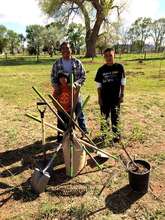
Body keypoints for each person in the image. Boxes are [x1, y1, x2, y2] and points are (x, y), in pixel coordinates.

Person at [51, 41, 88, 142]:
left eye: (67, 48)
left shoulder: (77, 62)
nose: (65, 50)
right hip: (62, 95)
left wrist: (75, 84)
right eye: (63, 48)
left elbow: (83, 76)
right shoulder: (57, 63)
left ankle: (84, 133)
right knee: (61, 114)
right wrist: (56, 87)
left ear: (71, 49)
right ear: (61, 51)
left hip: (75, 93)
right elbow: (53, 78)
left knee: (79, 112)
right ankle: (62, 134)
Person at [95, 48, 126, 143]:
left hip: (115, 97)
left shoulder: (119, 67)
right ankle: (105, 135)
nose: (108, 57)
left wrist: (122, 94)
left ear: (114, 55)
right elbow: (99, 85)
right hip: (104, 97)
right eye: (106, 56)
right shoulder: (101, 70)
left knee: (115, 116)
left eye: (110, 55)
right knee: (104, 116)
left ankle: (116, 136)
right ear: (104, 57)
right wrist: (99, 98)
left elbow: (123, 81)